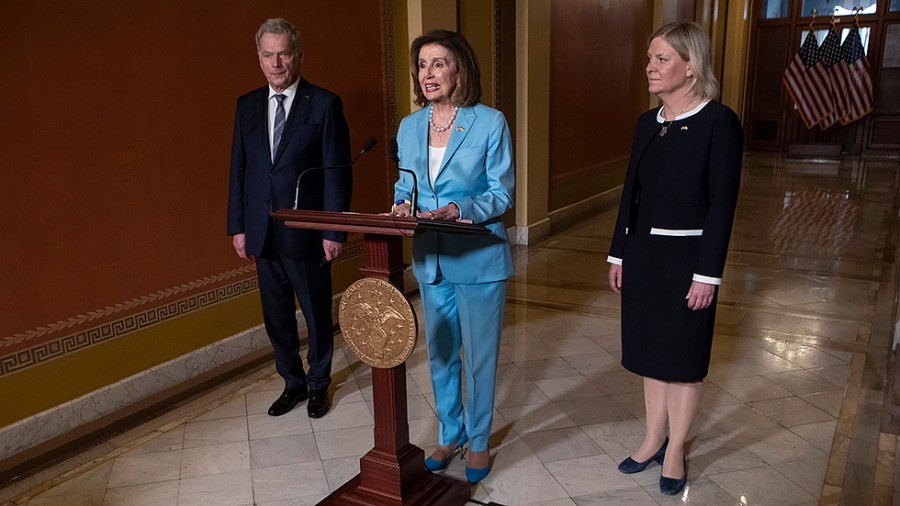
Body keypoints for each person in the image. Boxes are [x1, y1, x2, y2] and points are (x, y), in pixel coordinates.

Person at [606, 21, 743, 496]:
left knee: (682, 359)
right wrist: (618, 253)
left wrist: (708, 274)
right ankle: (651, 439)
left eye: (661, 59)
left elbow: (722, 203)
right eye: (650, 58)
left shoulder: (718, 122)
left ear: (691, 65)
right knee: (651, 354)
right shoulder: (649, 122)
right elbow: (632, 194)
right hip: (644, 256)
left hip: (689, 258)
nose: (650, 67)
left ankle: (677, 447)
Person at [388, 29, 514, 484]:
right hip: (430, 258)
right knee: (441, 353)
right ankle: (450, 432)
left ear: (460, 68)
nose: (428, 73)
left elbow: (501, 193)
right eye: (422, 65)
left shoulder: (489, 122)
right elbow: (406, 187)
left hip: (478, 257)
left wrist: (461, 209)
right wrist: (402, 206)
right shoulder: (408, 126)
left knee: (479, 357)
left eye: (439, 63)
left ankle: (478, 441)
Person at [227, 18, 351, 419]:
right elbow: (239, 170)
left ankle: (318, 384)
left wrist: (334, 230)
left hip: (307, 232)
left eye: (283, 53)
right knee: (276, 316)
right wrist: (238, 226)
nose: (276, 62)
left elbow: (336, 171)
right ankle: (292, 383)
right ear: (259, 58)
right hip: (262, 232)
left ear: (298, 55)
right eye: (268, 54)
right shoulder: (246, 105)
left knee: (315, 313)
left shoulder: (325, 104)